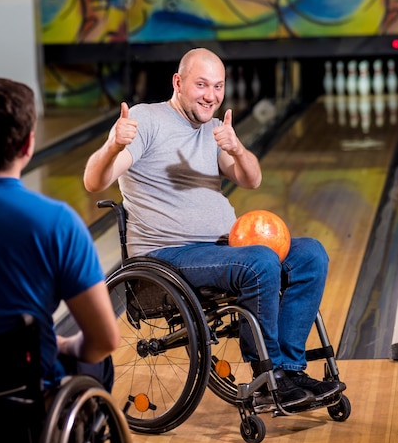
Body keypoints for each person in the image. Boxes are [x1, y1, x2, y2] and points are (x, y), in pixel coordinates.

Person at [83, 47, 345, 412]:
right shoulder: (146, 121)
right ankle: (268, 373)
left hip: (224, 248)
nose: (210, 95)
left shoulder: (211, 130)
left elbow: (250, 178)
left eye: (218, 86)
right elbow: (95, 181)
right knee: (260, 262)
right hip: (169, 256)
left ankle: (287, 368)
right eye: (201, 84)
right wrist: (113, 144)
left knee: (311, 254)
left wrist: (236, 148)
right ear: (178, 82)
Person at [0, 77, 120, 394]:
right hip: (21, 392)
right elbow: (104, 339)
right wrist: (71, 346)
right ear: (29, 144)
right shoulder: (58, 224)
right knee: (98, 362)